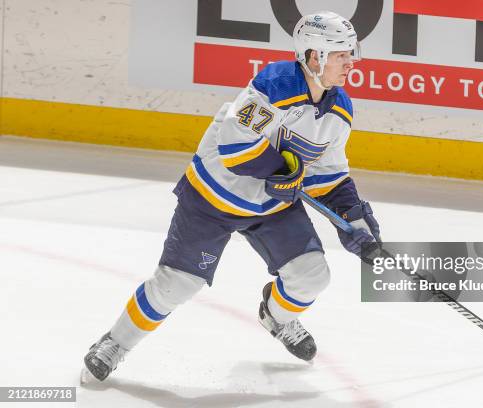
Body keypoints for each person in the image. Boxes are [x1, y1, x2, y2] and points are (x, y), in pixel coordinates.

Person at [82, 10, 381, 382]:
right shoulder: (274, 85)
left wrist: (355, 222)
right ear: (314, 56)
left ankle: (277, 317)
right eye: (341, 54)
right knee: (176, 284)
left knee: (311, 275)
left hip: (272, 205)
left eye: (351, 53)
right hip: (214, 198)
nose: (351, 62)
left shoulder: (339, 110)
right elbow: (236, 147)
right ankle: (115, 343)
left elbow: (328, 174)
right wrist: (281, 172)